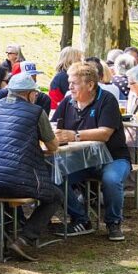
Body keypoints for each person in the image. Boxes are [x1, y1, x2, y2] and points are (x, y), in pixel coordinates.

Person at [0, 73, 63, 261]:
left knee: (4, 184)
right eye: (35, 94)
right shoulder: (36, 112)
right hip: (17, 182)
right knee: (55, 195)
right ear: (30, 94)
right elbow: (53, 146)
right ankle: (25, 239)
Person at [53, 62, 131, 241]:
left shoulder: (107, 100)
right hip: (81, 160)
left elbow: (105, 133)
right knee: (54, 177)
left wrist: (74, 135)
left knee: (111, 180)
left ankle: (113, 223)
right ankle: (81, 219)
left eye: (74, 83)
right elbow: (54, 124)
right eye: (69, 83)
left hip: (113, 158)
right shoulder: (68, 101)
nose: (70, 87)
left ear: (90, 85)